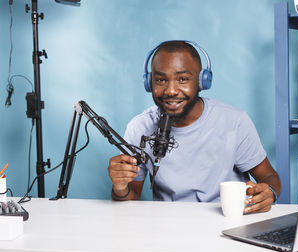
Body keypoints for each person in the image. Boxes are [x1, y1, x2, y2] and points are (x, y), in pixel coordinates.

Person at [107, 40, 281, 214]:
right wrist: (120, 188)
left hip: (225, 223)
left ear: (202, 81)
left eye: (182, 79)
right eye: (160, 80)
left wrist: (269, 193)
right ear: (149, 83)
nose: (171, 91)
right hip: (167, 227)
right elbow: (131, 198)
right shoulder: (140, 127)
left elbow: (269, 176)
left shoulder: (235, 121)